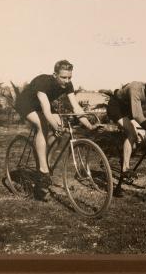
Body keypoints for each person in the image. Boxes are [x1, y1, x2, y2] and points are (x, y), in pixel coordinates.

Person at [14, 60, 99, 190]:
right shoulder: (43, 82)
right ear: (55, 75)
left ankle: (45, 161)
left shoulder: (68, 85)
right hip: (26, 104)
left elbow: (76, 107)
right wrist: (56, 126)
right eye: (63, 77)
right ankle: (43, 170)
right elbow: (47, 110)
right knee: (42, 124)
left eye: (69, 77)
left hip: (41, 105)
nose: (67, 81)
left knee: (60, 130)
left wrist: (89, 126)